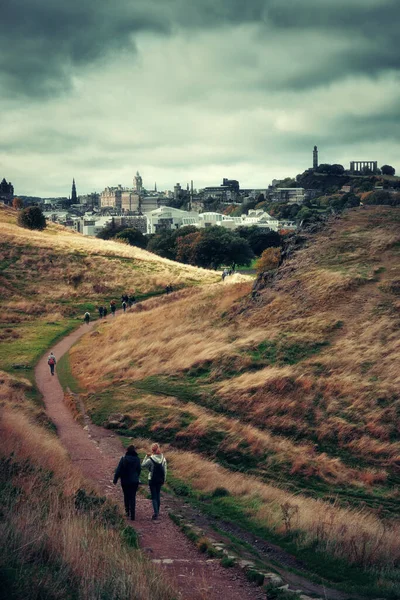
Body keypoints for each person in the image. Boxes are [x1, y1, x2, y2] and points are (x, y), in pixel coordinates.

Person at [113, 445, 141, 521]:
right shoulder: (137, 459)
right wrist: (136, 477)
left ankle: (127, 512)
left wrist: (115, 479)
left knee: (126, 496)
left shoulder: (124, 459)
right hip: (134, 481)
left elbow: (118, 470)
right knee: (133, 497)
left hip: (125, 481)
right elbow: (139, 470)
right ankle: (133, 515)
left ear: (127, 451)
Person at [142, 443, 167, 520]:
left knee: (154, 497)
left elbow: (143, 465)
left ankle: (156, 513)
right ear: (158, 449)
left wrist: (146, 456)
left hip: (152, 479)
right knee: (158, 494)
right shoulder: (163, 459)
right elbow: (165, 470)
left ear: (152, 450)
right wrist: (164, 479)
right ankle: (158, 511)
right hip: (160, 479)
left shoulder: (151, 459)